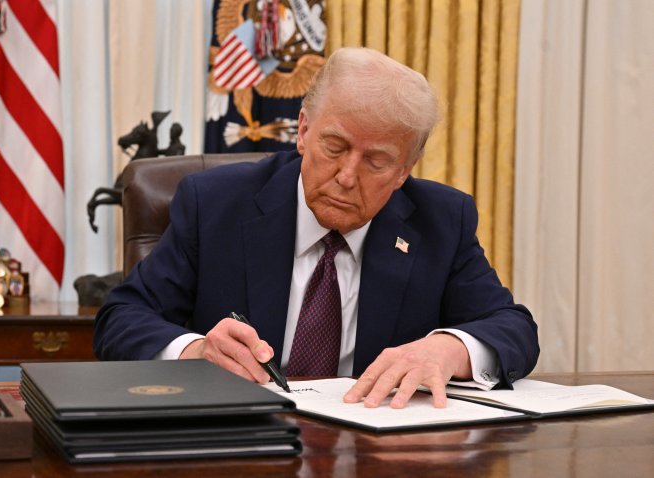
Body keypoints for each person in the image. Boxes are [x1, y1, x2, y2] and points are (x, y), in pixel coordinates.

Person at [93, 47, 539, 408]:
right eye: (335, 146)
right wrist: (196, 352)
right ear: (303, 131)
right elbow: (121, 320)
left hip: (379, 453)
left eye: (376, 161)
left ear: (405, 170)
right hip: (242, 447)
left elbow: (514, 329)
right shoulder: (214, 204)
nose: (347, 175)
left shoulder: (441, 220)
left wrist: (449, 350)